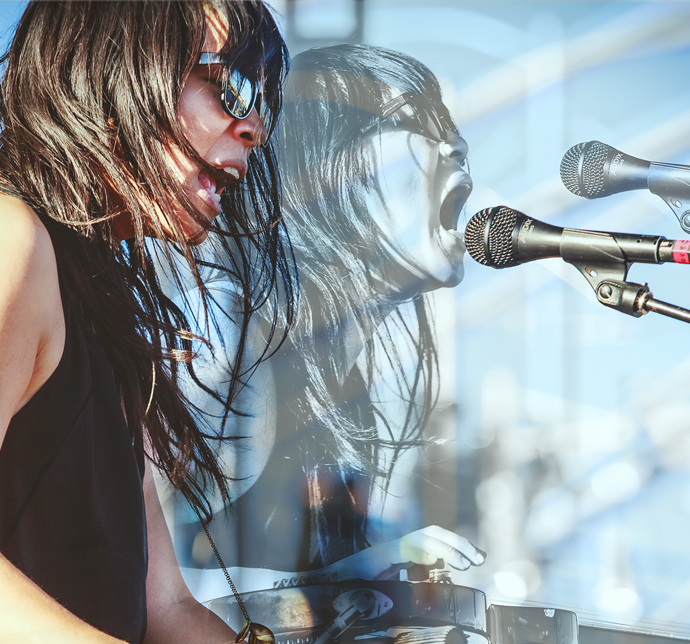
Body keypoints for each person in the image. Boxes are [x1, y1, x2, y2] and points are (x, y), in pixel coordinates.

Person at [0, 2, 294, 643]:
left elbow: (165, 610)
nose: (253, 128)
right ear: (112, 72)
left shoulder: (100, 312)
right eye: (225, 86)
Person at [172, 44, 484, 596]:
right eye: (416, 123)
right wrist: (353, 578)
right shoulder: (230, 355)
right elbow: (129, 586)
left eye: (450, 128)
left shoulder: (319, 372)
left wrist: (359, 575)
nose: (456, 147)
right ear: (328, 164)